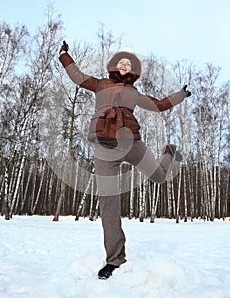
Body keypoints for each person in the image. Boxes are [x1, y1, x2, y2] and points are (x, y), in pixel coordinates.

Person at [58, 41, 191, 279]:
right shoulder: (99, 84)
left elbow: (160, 105)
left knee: (160, 176)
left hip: (132, 143)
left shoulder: (134, 93)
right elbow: (77, 76)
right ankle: (114, 259)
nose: (124, 65)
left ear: (133, 70)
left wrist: (180, 95)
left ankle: (170, 153)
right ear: (114, 66)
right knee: (109, 205)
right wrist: (64, 55)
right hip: (105, 147)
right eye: (121, 62)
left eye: (128, 64)